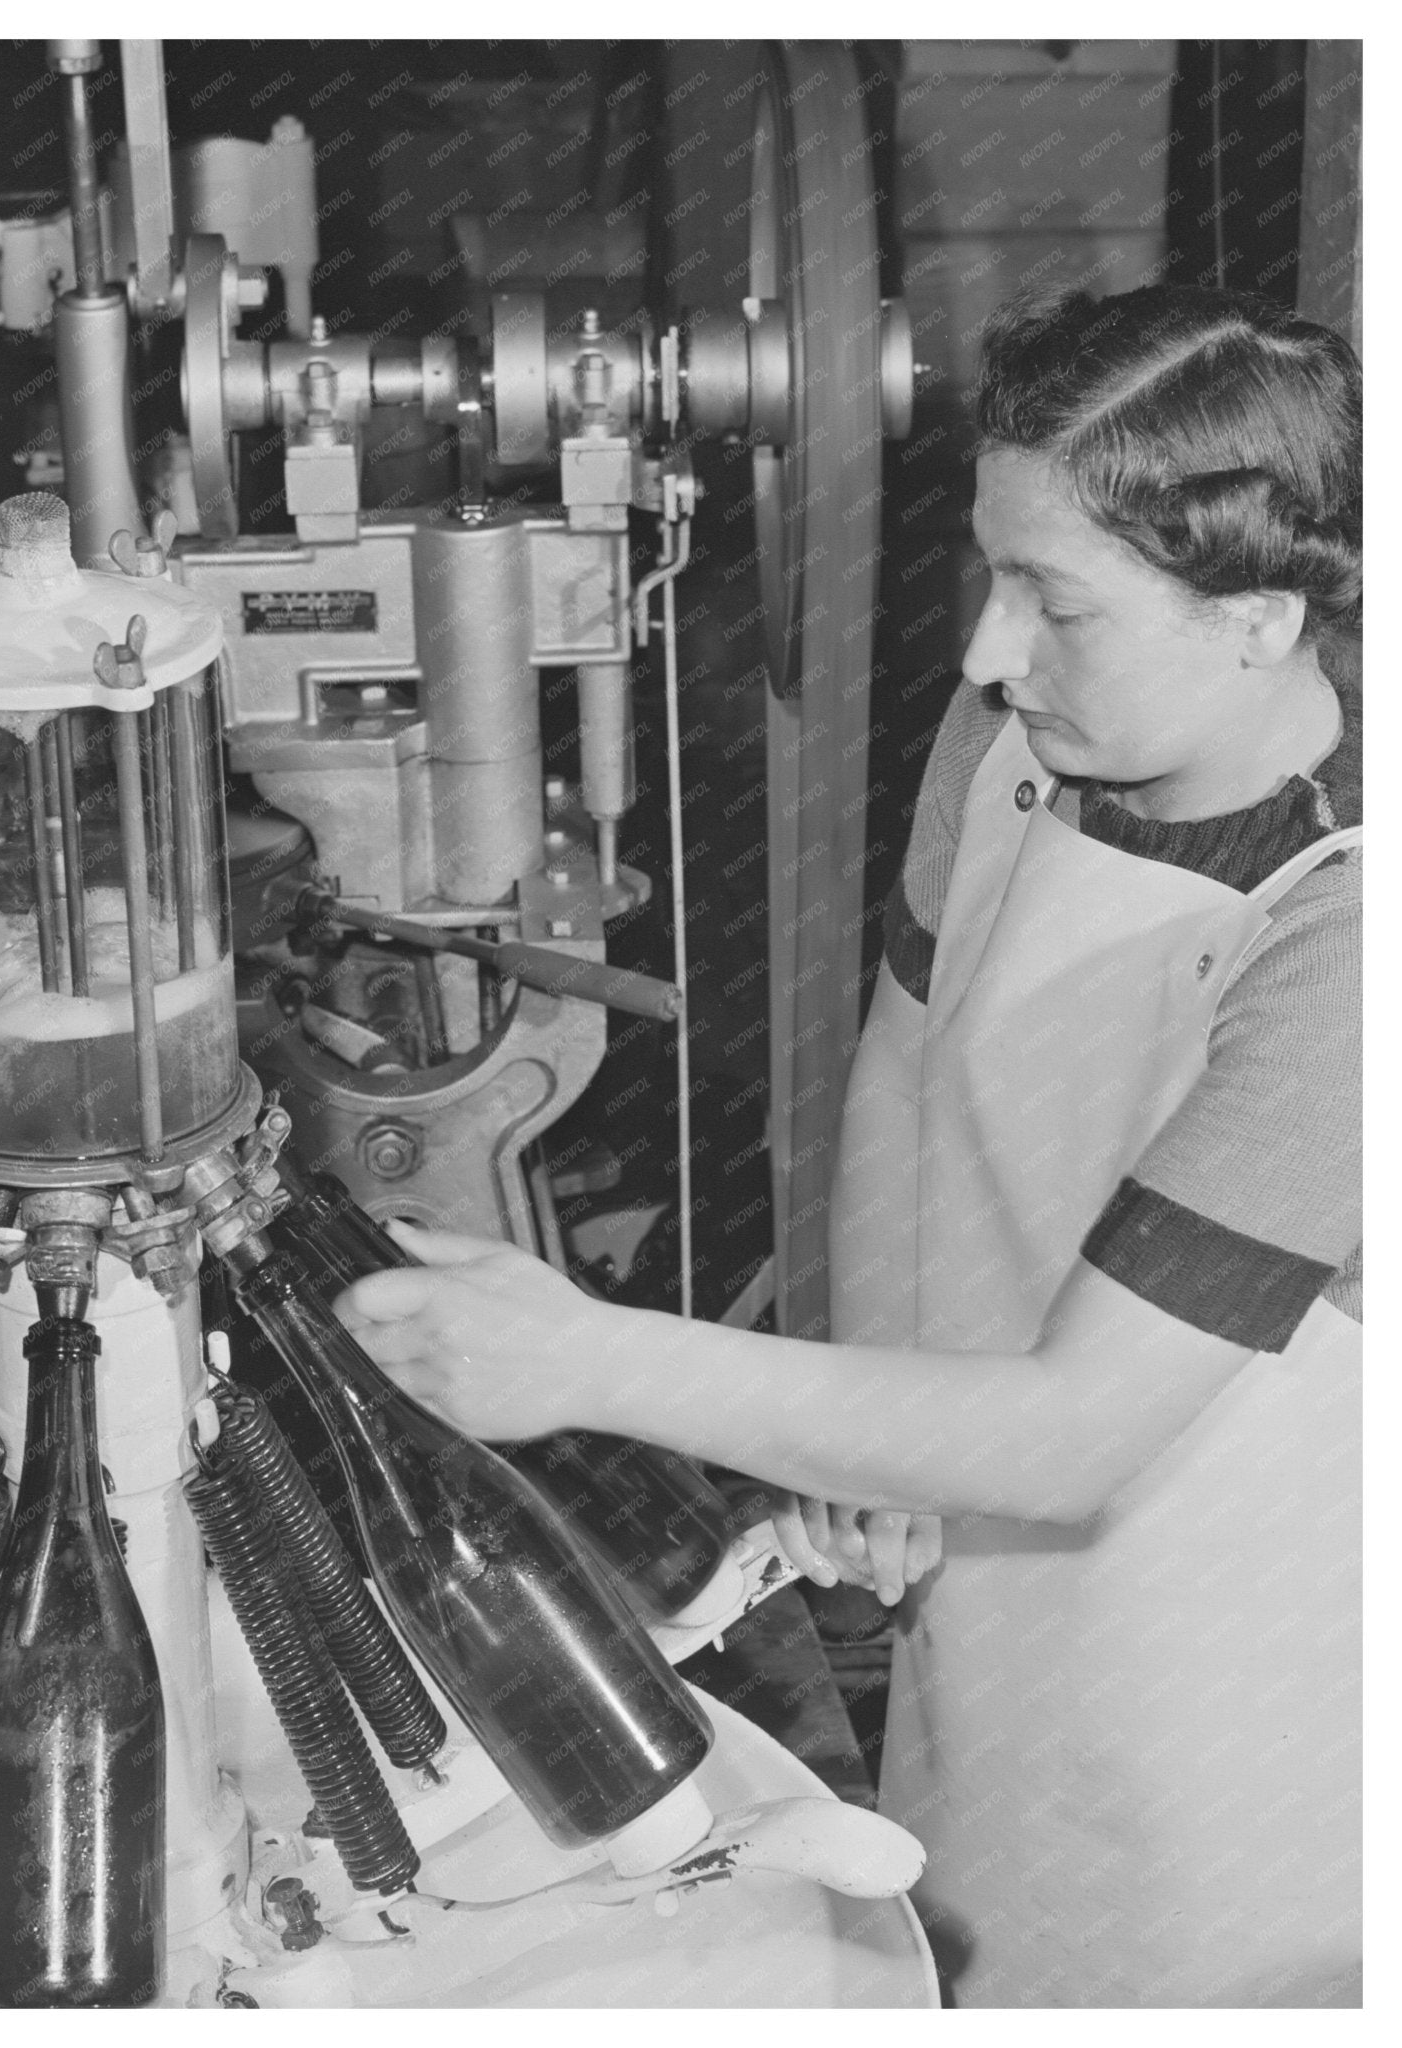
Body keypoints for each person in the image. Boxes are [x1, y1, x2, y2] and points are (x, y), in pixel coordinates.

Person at [335, 284, 1360, 2008]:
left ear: (1254, 621)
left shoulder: (1338, 941)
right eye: (990, 568)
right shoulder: (1013, 735)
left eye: (1054, 598)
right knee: (933, 1932)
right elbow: (899, 1072)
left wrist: (583, 1357)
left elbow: (1073, 1437)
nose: (982, 645)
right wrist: (861, 1401)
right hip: (984, 1569)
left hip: (1234, 1685)